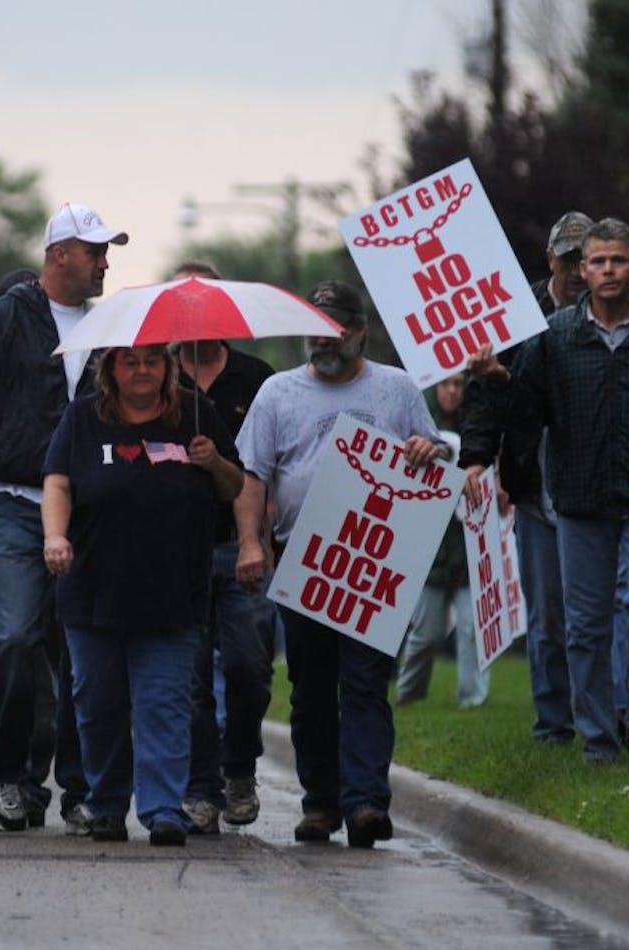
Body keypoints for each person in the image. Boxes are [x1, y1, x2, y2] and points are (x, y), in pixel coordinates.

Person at [466, 219, 629, 764]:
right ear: (581, 270)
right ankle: (598, 742)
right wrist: (496, 381)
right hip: (580, 500)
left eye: (618, 260)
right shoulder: (555, 336)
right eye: (597, 262)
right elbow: (526, 416)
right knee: (584, 626)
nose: (608, 271)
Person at [0, 203, 127, 833]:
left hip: (91, 510)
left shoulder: (107, 329)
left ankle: (78, 789)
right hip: (14, 503)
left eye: (106, 252)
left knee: (83, 654)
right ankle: (7, 776)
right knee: (12, 638)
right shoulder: (0, 322)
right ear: (59, 253)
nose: (104, 262)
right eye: (95, 251)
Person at [236, 279, 445, 847]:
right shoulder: (278, 393)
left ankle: (366, 804)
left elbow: (433, 454)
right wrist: (251, 544)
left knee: (364, 683)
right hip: (306, 566)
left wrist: (431, 450)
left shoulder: (397, 389)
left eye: (334, 333)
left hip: (374, 566)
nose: (322, 343)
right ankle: (322, 804)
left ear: (360, 332)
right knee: (311, 689)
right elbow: (252, 477)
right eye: (314, 333)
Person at [42, 344, 243, 846]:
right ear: (111, 368)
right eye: (130, 361)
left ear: (168, 367)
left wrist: (213, 460)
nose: (142, 370)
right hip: (93, 588)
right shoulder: (83, 416)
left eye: (153, 361)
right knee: (98, 703)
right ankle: (106, 804)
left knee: (165, 704)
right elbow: (58, 483)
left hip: (172, 589)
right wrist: (55, 536)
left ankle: (163, 809)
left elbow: (233, 486)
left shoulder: (196, 414)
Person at [465, 211, 591, 744]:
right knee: (546, 617)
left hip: (593, 488)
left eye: (588, 258)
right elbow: (485, 393)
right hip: (535, 484)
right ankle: (554, 724)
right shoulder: (514, 315)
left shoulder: (613, 314)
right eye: (570, 259)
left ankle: (603, 718)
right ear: (550, 259)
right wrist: (475, 455)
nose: (581, 270)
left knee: (596, 613)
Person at [169, 262, 279, 836]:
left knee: (247, 665)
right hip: (175, 553)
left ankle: (240, 769)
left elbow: (263, 467)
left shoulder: (258, 378)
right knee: (187, 678)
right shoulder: (151, 376)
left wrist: (252, 540)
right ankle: (200, 789)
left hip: (239, 549)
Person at [395, 373, 489, 708]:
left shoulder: (479, 425)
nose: (452, 390)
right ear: (435, 387)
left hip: (469, 543)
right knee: (426, 630)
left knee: (471, 628)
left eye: (459, 384)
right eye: (446, 384)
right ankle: (408, 692)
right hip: (429, 543)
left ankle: (473, 699)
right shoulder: (417, 423)